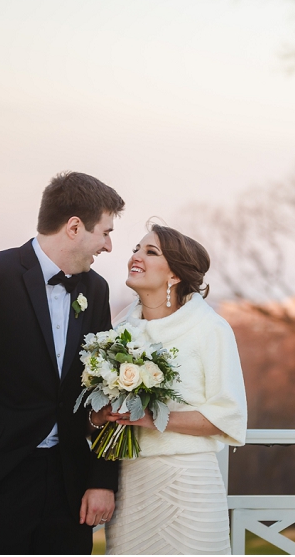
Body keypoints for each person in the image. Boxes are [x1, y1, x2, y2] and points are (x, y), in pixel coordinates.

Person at [0, 172, 125, 554]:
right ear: (74, 227)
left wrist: (101, 480)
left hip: (69, 486)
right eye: (105, 232)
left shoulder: (95, 289)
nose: (109, 246)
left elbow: (105, 391)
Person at [97, 223, 247, 555]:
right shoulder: (119, 328)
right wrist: (101, 415)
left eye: (150, 252)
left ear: (175, 275)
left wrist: (153, 418)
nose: (136, 256)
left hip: (187, 484)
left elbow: (229, 417)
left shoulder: (210, 329)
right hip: (130, 483)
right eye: (137, 248)